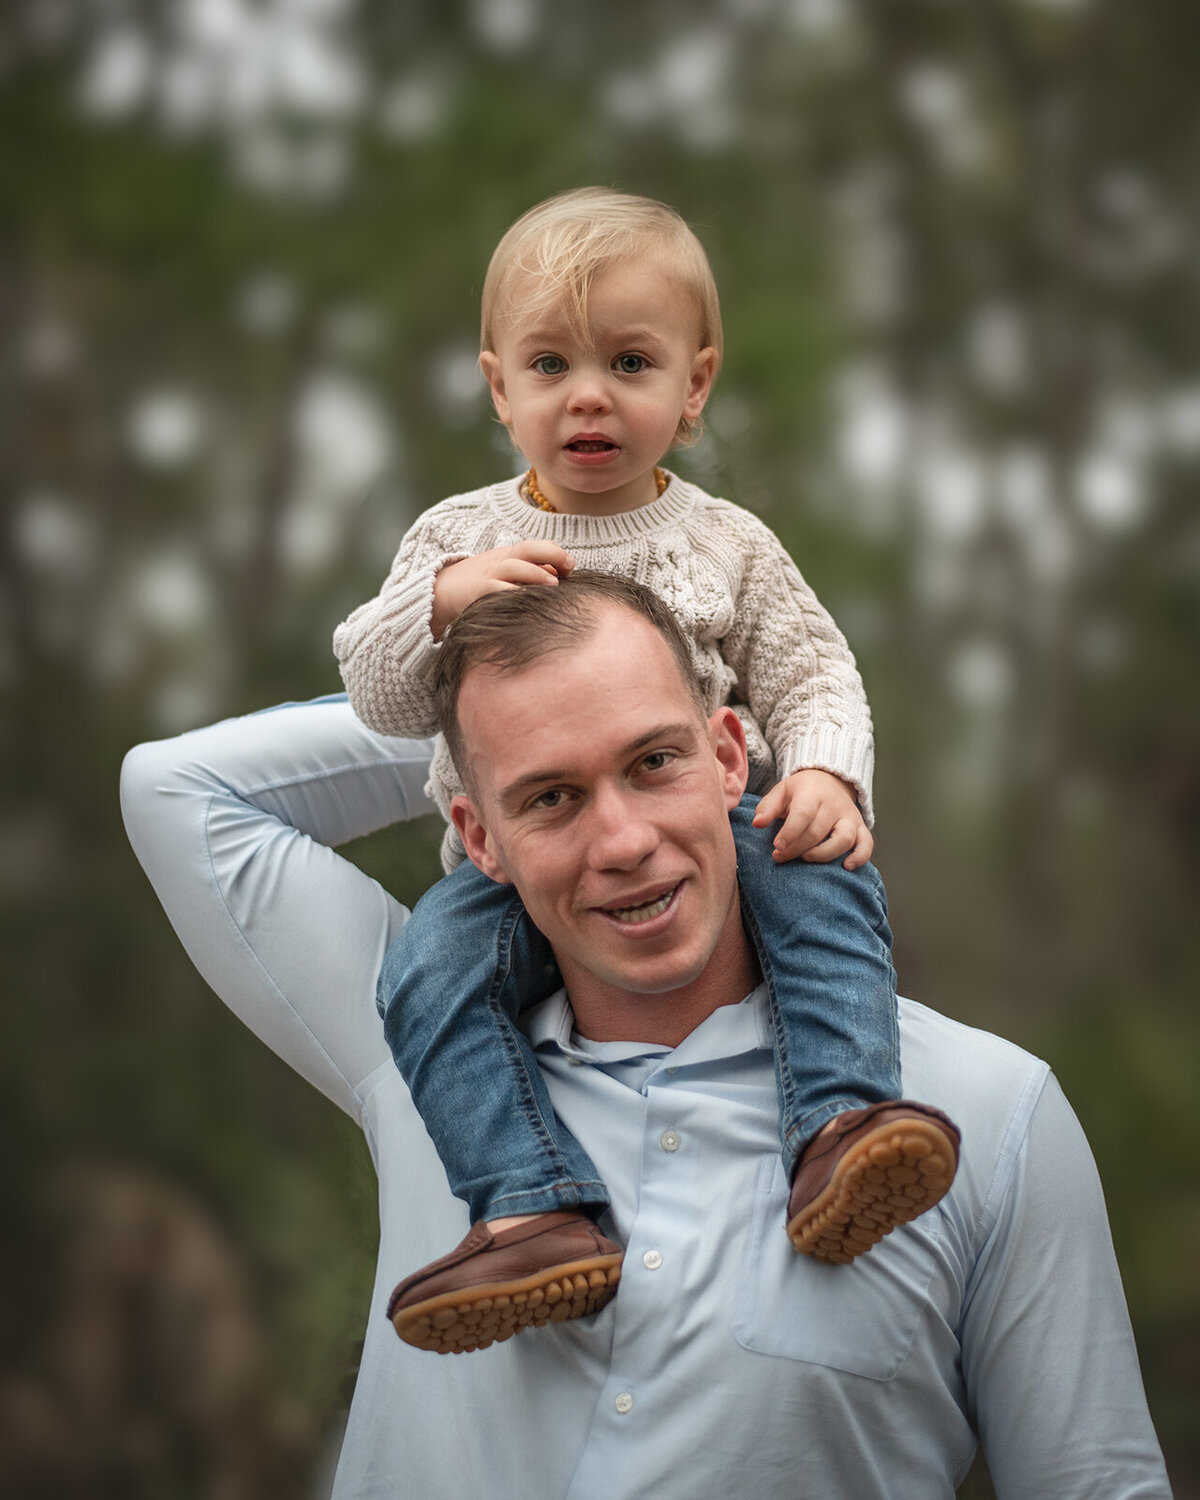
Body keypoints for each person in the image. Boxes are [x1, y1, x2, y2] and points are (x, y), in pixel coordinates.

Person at [120, 574, 1171, 1498]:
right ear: (478, 836)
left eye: (655, 760)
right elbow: (176, 790)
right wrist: (479, 718)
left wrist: (674, 698)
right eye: (552, 798)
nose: (622, 841)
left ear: (728, 755)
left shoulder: (987, 1113)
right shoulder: (420, 1043)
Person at [332, 188, 959, 1348]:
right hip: (522, 876)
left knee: (824, 879)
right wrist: (436, 608)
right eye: (550, 364)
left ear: (696, 385)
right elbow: (377, 693)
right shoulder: (452, 539)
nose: (589, 396)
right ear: (497, 386)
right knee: (427, 973)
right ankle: (531, 1209)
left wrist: (824, 775)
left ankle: (839, 1129)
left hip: (719, 829)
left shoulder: (726, 542)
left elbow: (813, 671)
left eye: (630, 361)